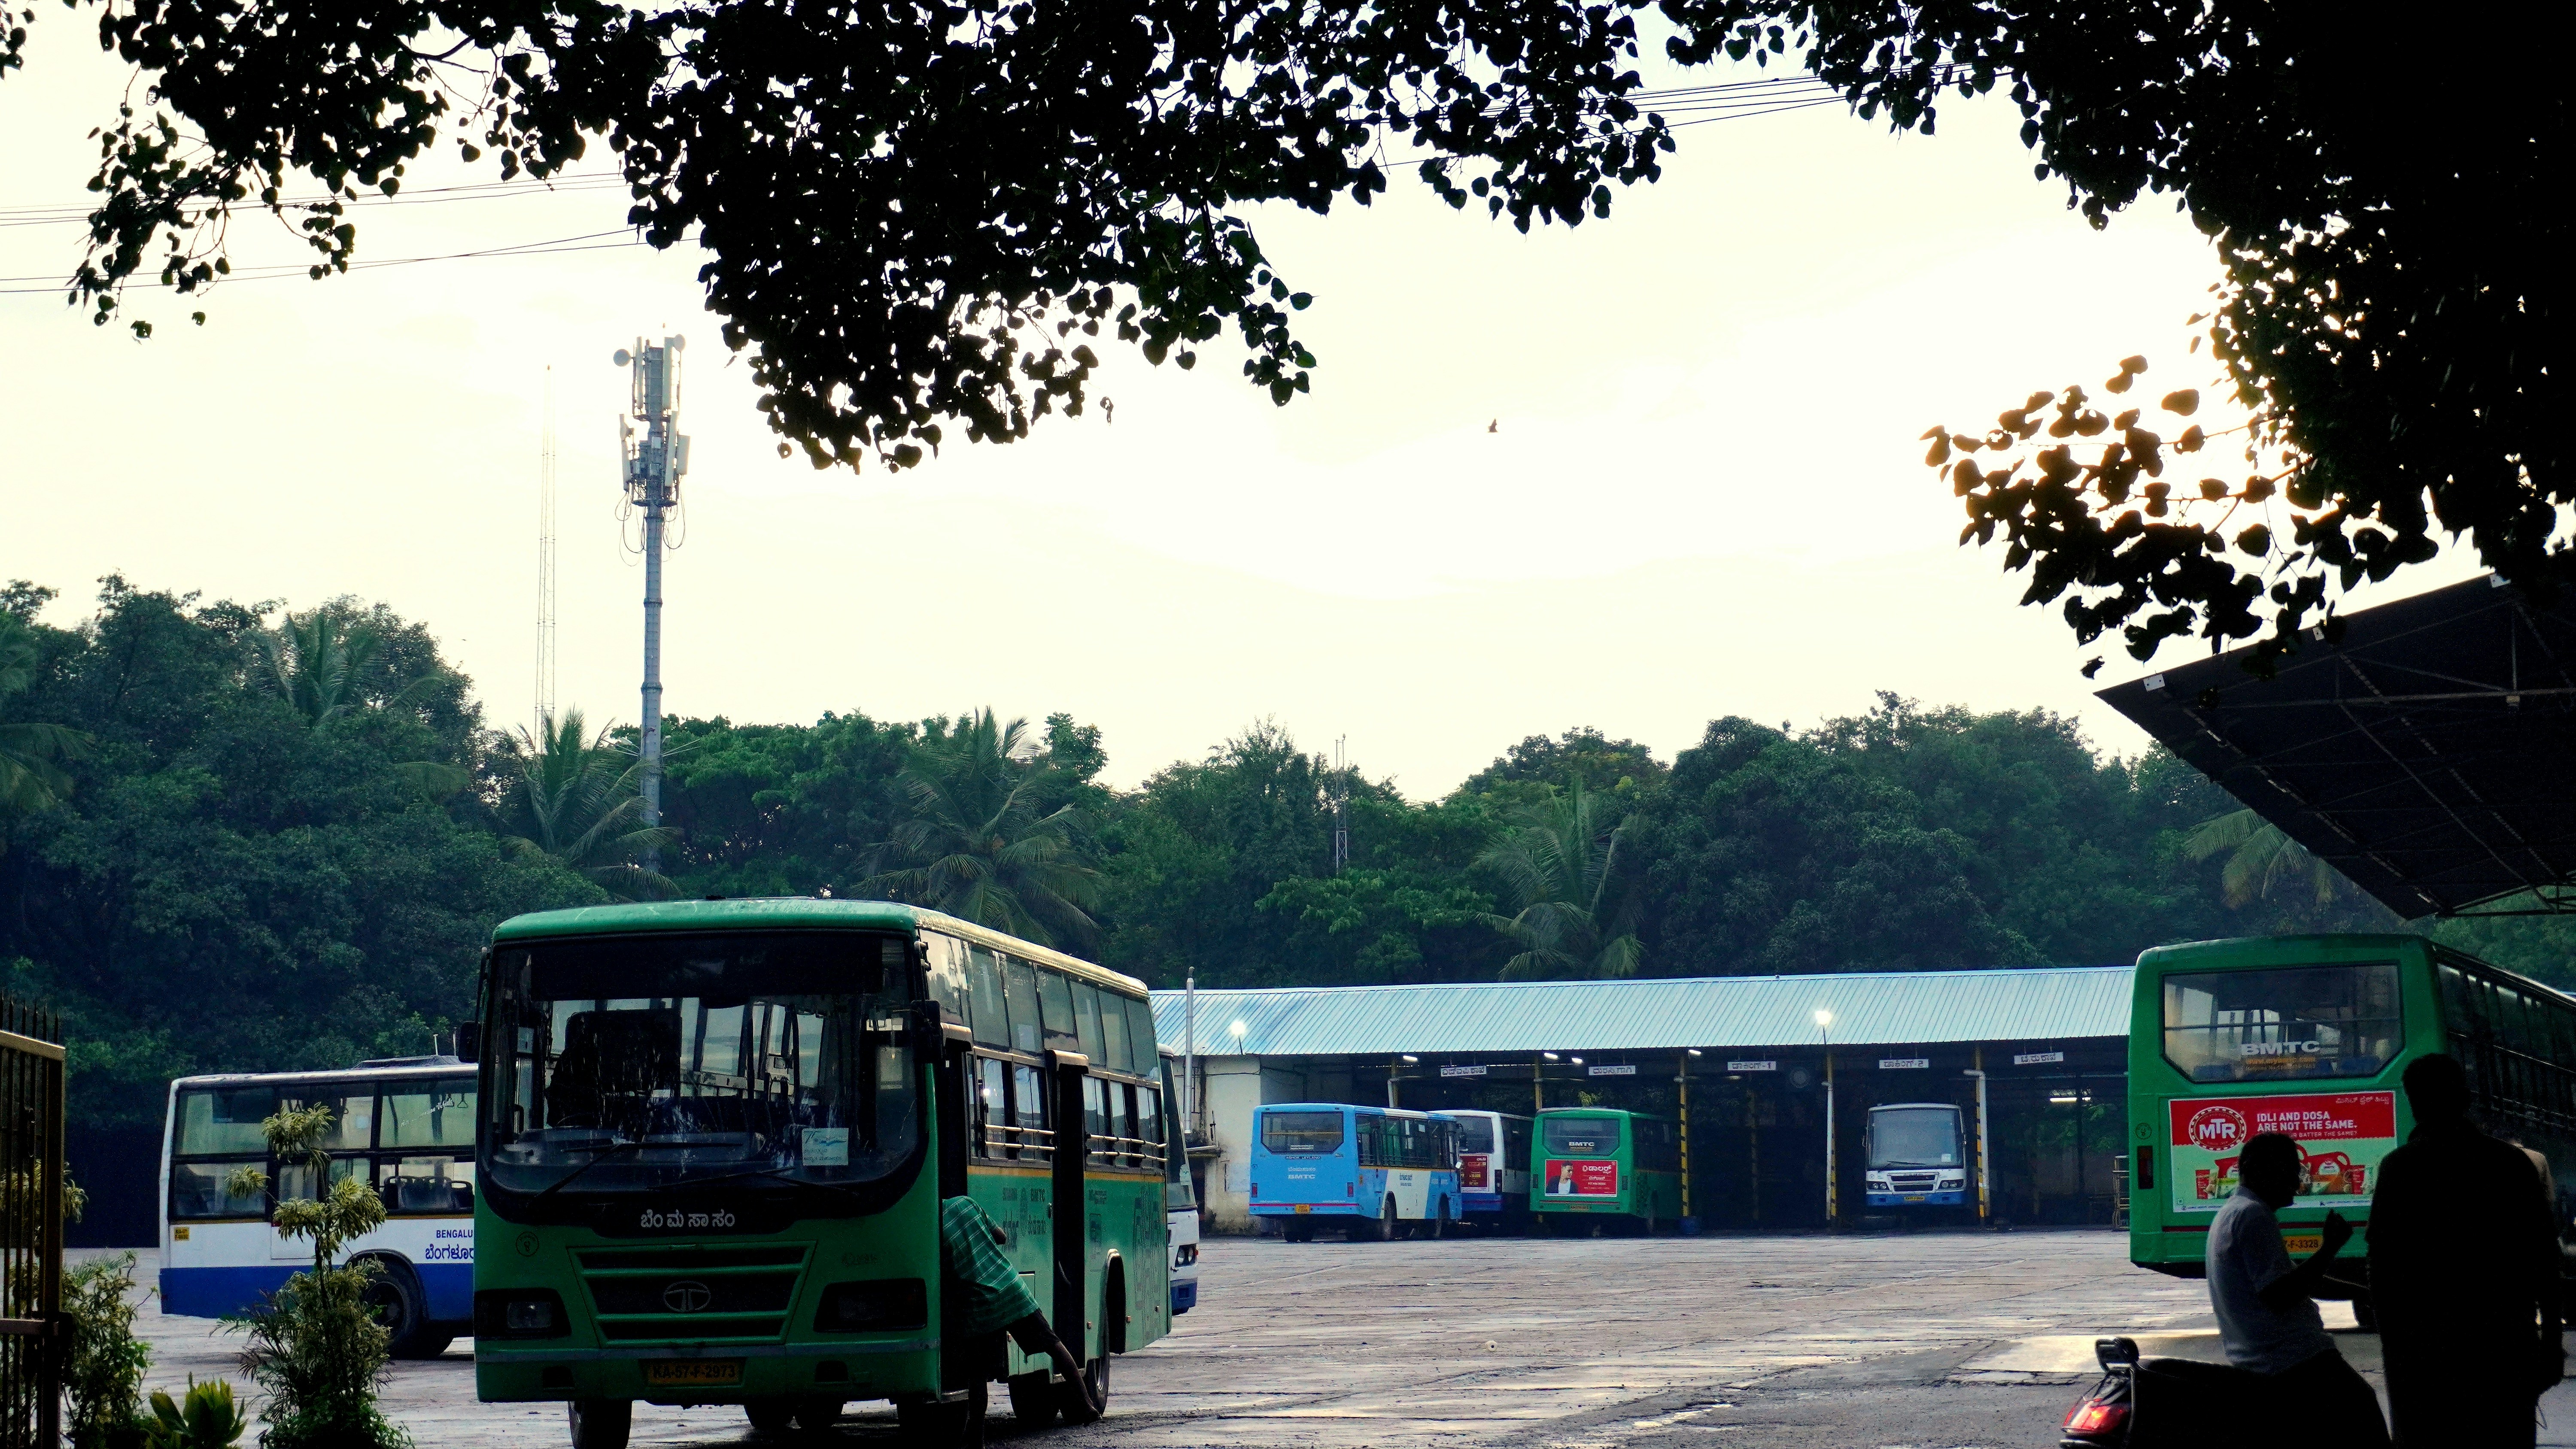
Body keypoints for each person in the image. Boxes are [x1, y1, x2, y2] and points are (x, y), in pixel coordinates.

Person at [2367, 1053, 2564, 1448]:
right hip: (2503, 1345)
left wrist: (2396, 1349)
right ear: (2466, 1099)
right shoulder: (2511, 1164)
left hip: (2424, 1356)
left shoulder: (2400, 1168)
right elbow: (2545, 1260)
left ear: (2415, 1103)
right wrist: (2551, 1345)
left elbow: (2384, 1272)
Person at [2204, 1132, 2390, 1443]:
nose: (2297, 1180)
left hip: (2265, 1361)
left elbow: (2298, 1281)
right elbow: (2281, 1295)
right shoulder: (2253, 1217)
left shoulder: (2234, 1212)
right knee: (2362, 1413)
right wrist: (2329, 1248)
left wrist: (2362, 1292)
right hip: (2294, 1362)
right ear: (2260, 1170)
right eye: (2290, 1169)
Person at [937, 1194, 1104, 1414]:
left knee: (977, 1376)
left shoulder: (933, 1229)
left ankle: (977, 1440)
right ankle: (1086, 1404)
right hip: (1012, 1289)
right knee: (1054, 1345)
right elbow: (1002, 1237)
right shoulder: (966, 1203)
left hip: (979, 1304)